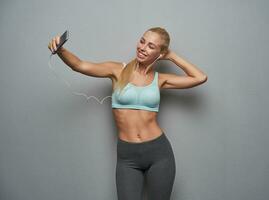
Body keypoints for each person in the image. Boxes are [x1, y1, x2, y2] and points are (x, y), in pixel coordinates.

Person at [48, 26, 207, 200]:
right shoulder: (118, 70)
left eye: (151, 46)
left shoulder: (160, 79)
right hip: (128, 157)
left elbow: (199, 77)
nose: (142, 47)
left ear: (160, 54)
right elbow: (80, 65)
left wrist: (171, 56)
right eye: (142, 41)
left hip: (159, 154)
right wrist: (61, 50)